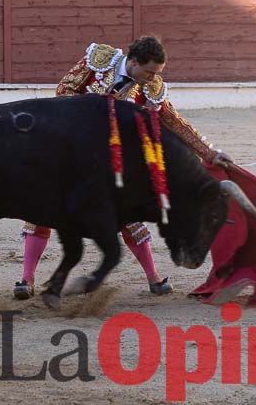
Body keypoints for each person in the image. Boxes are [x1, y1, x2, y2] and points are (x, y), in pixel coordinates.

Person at [14, 36, 231, 300]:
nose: (152, 78)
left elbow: (174, 123)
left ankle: (154, 278)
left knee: (127, 213)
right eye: (149, 71)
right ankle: (26, 279)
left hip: (108, 160)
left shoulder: (150, 88)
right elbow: (63, 92)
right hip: (69, 151)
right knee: (43, 209)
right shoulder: (100, 61)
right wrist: (100, 106)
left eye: (157, 73)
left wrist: (209, 152)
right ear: (134, 62)